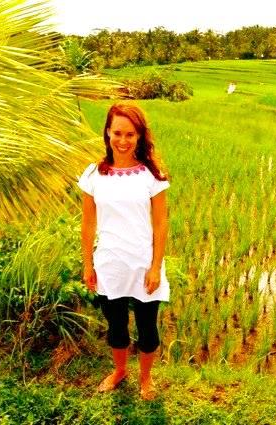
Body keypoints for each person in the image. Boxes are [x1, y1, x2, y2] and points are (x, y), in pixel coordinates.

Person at [78, 102, 170, 401]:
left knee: (147, 328)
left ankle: (146, 379)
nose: (123, 140)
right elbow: (88, 224)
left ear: (140, 136)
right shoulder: (94, 174)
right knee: (116, 326)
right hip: (109, 264)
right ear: (107, 133)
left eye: (130, 134)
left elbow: (161, 225)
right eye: (117, 132)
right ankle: (119, 371)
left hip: (144, 265)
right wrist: (88, 265)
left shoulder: (151, 175)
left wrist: (156, 266)